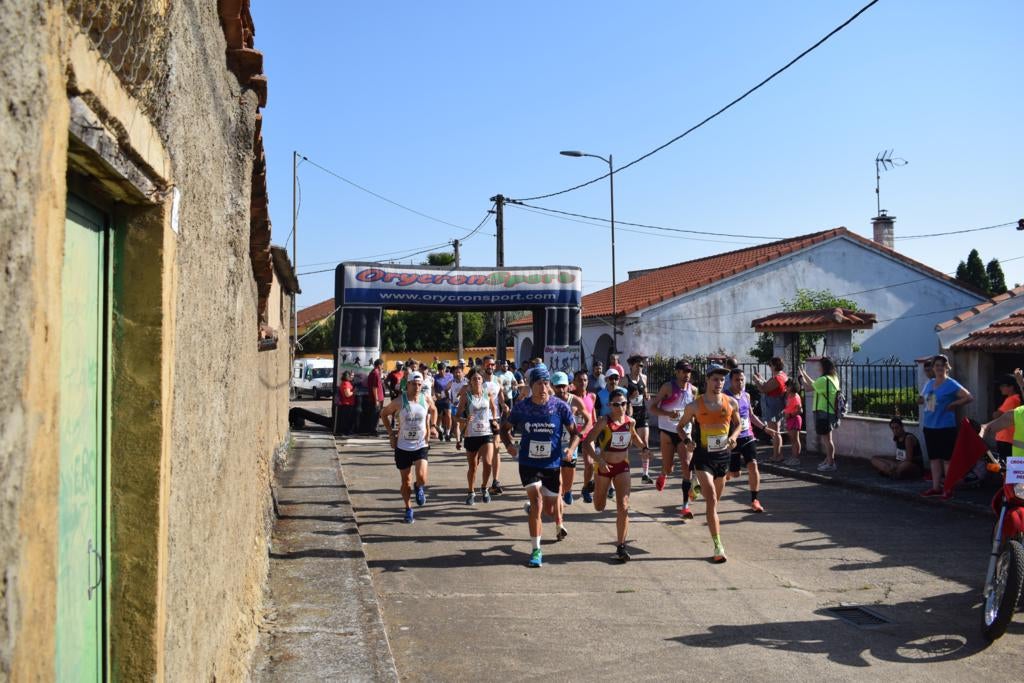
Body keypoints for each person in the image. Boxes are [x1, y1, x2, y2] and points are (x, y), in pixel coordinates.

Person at [500, 366, 580, 567]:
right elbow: (504, 428)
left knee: (551, 510)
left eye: (546, 384)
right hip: (528, 463)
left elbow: (575, 433)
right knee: (537, 503)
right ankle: (536, 550)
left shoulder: (560, 407)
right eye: (538, 384)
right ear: (530, 386)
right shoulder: (522, 407)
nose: (543, 388)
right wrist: (509, 445)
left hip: (552, 464)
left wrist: (570, 449)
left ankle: (544, 515)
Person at [678, 365, 740, 563]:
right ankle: (718, 546)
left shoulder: (731, 403)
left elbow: (738, 424)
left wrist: (734, 437)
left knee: (714, 503)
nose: (719, 384)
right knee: (711, 498)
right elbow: (680, 427)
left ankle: (694, 489)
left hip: (723, 458)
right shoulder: (694, 406)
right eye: (715, 380)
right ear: (707, 380)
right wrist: (687, 441)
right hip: (703, 457)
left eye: (722, 380)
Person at [583, 387, 650, 561]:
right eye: (616, 404)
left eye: (623, 404)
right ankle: (594, 487)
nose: (620, 407)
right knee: (599, 506)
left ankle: (621, 545)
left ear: (627, 404)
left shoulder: (630, 422)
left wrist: (644, 448)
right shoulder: (603, 422)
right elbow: (587, 443)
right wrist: (598, 460)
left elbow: (633, 436)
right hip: (604, 468)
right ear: (609, 405)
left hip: (623, 467)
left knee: (624, 505)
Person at [379, 371, 438, 523]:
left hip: (421, 444)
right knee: (405, 481)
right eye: (414, 384)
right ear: (408, 385)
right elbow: (384, 414)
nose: (417, 387)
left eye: (420, 385)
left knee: (422, 478)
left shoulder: (425, 398)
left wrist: (433, 426)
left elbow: (434, 410)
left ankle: (419, 487)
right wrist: (391, 434)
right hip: (403, 445)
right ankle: (408, 508)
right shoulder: (400, 401)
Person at [918, 354, 974, 496]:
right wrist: (919, 399)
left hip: (945, 427)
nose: (939, 368)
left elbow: (969, 397)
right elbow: (922, 398)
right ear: (933, 367)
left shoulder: (951, 384)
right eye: (936, 365)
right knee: (934, 459)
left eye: (942, 365)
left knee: (947, 459)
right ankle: (936, 487)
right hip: (929, 426)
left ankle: (948, 489)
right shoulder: (929, 383)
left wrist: (955, 403)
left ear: (946, 368)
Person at [648, 360, 697, 511]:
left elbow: (694, 412)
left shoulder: (693, 390)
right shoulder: (668, 387)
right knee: (668, 467)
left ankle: (685, 505)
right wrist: (668, 413)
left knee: (686, 467)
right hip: (667, 432)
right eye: (683, 371)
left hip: (684, 433)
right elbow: (652, 408)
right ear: (677, 372)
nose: (686, 374)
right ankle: (664, 473)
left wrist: (694, 424)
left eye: (688, 371)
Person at [725, 368, 775, 513]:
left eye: (742, 379)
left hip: (747, 436)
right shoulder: (725, 397)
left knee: (753, 465)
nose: (740, 382)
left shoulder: (746, 395)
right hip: (732, 439)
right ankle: (718, 477)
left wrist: (765, 428)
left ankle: (755, 500)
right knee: (735, 474)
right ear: (731, 381)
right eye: (736, 380)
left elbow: (751, 416)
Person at [456, 368, 498, 505]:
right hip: (471, 435)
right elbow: (456, 417)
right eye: (474, 379)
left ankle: (484, 488)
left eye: (479, 378)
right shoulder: (466, 396)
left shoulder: (488, 394)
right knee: (473, 466)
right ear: (470, 381)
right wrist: (465, 420)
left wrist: (495, 420)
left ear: (482, 380)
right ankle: (471, 491)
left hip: (486, 433)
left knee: (488, 463)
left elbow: (493, 408)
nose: (477, 381)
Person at [551, 372, 593, 508]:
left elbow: (589, 421)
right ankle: (558, 499)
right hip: (554, 444)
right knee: (556, 478)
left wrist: (580, 435)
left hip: (570, 443)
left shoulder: (575, 401)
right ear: (552, 386)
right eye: (557, 387)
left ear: (569, 386)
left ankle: (567, 491)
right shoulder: (549, 401)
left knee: (568, 477)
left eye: (563, 386)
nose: (561, 390)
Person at [798, 357, 841, 472]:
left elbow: (807, 388)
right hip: (829, 411)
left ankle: (831, 463)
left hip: (823, 411)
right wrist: (805, 374)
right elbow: (814, 384)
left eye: (819, 365)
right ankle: (828, 460)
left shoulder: (824, 380)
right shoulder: (833, 378)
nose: (818, 367)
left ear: (824, 367)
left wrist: (800, 377)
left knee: (827, 440)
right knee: (828, 439)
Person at [570, 369, 600, 503]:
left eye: (585, 380)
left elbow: (592, 415)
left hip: (588, 434)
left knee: (589, 463)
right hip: (573, 434)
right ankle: (567, 490)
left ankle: (586, 489)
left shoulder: (592, 396)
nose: (583, 382)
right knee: (570, 465)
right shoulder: (570, 397)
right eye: (580, 380)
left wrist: (595, 429)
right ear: (574, 382)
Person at [481, 356, 509, 495]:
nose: (490, 367)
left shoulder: (498, 380)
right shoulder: (478, 380)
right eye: (488, 364)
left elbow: (501, 397)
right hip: (480, 421)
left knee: (496, 450)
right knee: (482, 455)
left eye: (492, 364)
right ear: (483, 366)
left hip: (495, 419)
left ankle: (495, 481)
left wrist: (504, 405)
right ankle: (483, 482)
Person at [753, 357, 788, 464]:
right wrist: (761, 379)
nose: (769, 367)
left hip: (773, 406)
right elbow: (768, 385)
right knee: (776, 431)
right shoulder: (782, 376)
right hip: (777, 405)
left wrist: (756, 381)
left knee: (774, 432)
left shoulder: (778, 378)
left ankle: (776, 455)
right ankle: (777, 454)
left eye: (770, 365)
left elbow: (764, 389)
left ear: (774, 366)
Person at [626, 355, 653, 483]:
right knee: (628, 444)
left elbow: (645, 391)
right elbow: (618, 397)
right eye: (638, 365)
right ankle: (624, 471)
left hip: (642, 413)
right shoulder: (624, 380)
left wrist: (646, 395)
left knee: (645, 442)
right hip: (630, 414)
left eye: (641, 366)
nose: (640, 368)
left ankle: (645, 474)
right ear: (631, 366)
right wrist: (630, 398)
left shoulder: (644, 378)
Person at [992, 374, 1022, 461]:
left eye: (1003, 386)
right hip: (1009, 438)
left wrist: (996, 411)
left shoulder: (1012, 399)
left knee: (1005, 466)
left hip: (1007, 439)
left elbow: (996, 415)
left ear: (1011, 387)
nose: (1000, 388)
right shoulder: (1015, 398)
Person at [782, 379, 803, 466]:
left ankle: (796, 458)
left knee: (795, 440)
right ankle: (794, 457)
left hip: (794, 419)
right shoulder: (790, 396)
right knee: (793, 440)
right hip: (791, 419)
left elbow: (799, 410)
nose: (786, 387)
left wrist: (790, 415)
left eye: (788, 386)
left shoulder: (795, 396)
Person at [448, 364, 468, 449]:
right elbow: (445, 390)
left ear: (462, 373)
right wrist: (450, 398)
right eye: (456, 372)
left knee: (464, 422)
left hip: (465, 406)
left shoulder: (467, 381)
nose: (457, 374)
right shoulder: (451, 382)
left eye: (459, 372)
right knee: (456, 423)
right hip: (454, 406)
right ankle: (458, 441)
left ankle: (462, 433)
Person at [433, 363, 454, 441]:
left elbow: (453, 384)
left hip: (447, 399)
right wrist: (435, 394)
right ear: (438, 370)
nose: (441, 371)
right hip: (439, 400)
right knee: (439, 417)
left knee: (448, 415)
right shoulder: (435, 377)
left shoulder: (450, 376)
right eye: (440, 370)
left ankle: (448, 433)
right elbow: (433, 388)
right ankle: (440, 430)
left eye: (443, 369)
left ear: (445, 369)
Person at [366, 358, 386, 433]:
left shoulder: (374, 372)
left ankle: (373, 429)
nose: (382, 367)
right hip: (376, 399)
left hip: (376, 398)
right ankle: (373, 430)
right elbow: (374, 388)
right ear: (379, 365)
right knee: (375, 415)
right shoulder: (375, 373)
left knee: (375, 415)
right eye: (382, 365)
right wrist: (376, 400)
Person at [336, 370, 358, 435]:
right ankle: (346, 431)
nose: (352, 377)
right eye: (350, 376)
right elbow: (347, 394)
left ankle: (346, 431)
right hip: (347, 403)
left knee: (345, 419)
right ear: (347, 376)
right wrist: (354, 391)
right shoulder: (346, 383)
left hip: (346, 403)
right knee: (347, 419)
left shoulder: (344, 382)